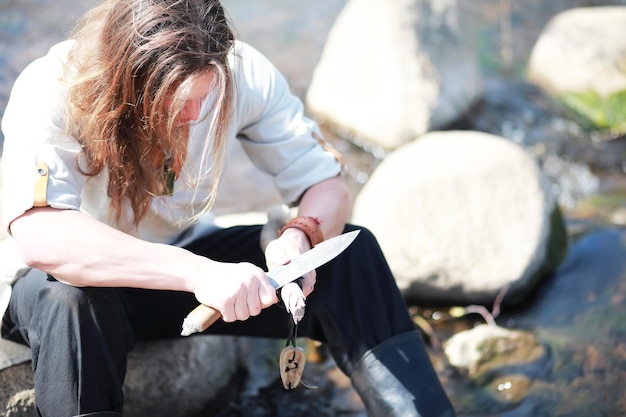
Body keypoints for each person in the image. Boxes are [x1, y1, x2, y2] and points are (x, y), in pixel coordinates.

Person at [0, 0, 456, 416]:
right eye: (177, 102)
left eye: (205, 95)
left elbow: (326, 183)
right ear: (128, 76)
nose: (196, 115)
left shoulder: (242, 72)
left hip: (182, 270)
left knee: (352, 256)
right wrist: (200, 275)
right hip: (68, 289)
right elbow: (41, 237)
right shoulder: (55, 87)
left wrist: (300, 234)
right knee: (71, 298)